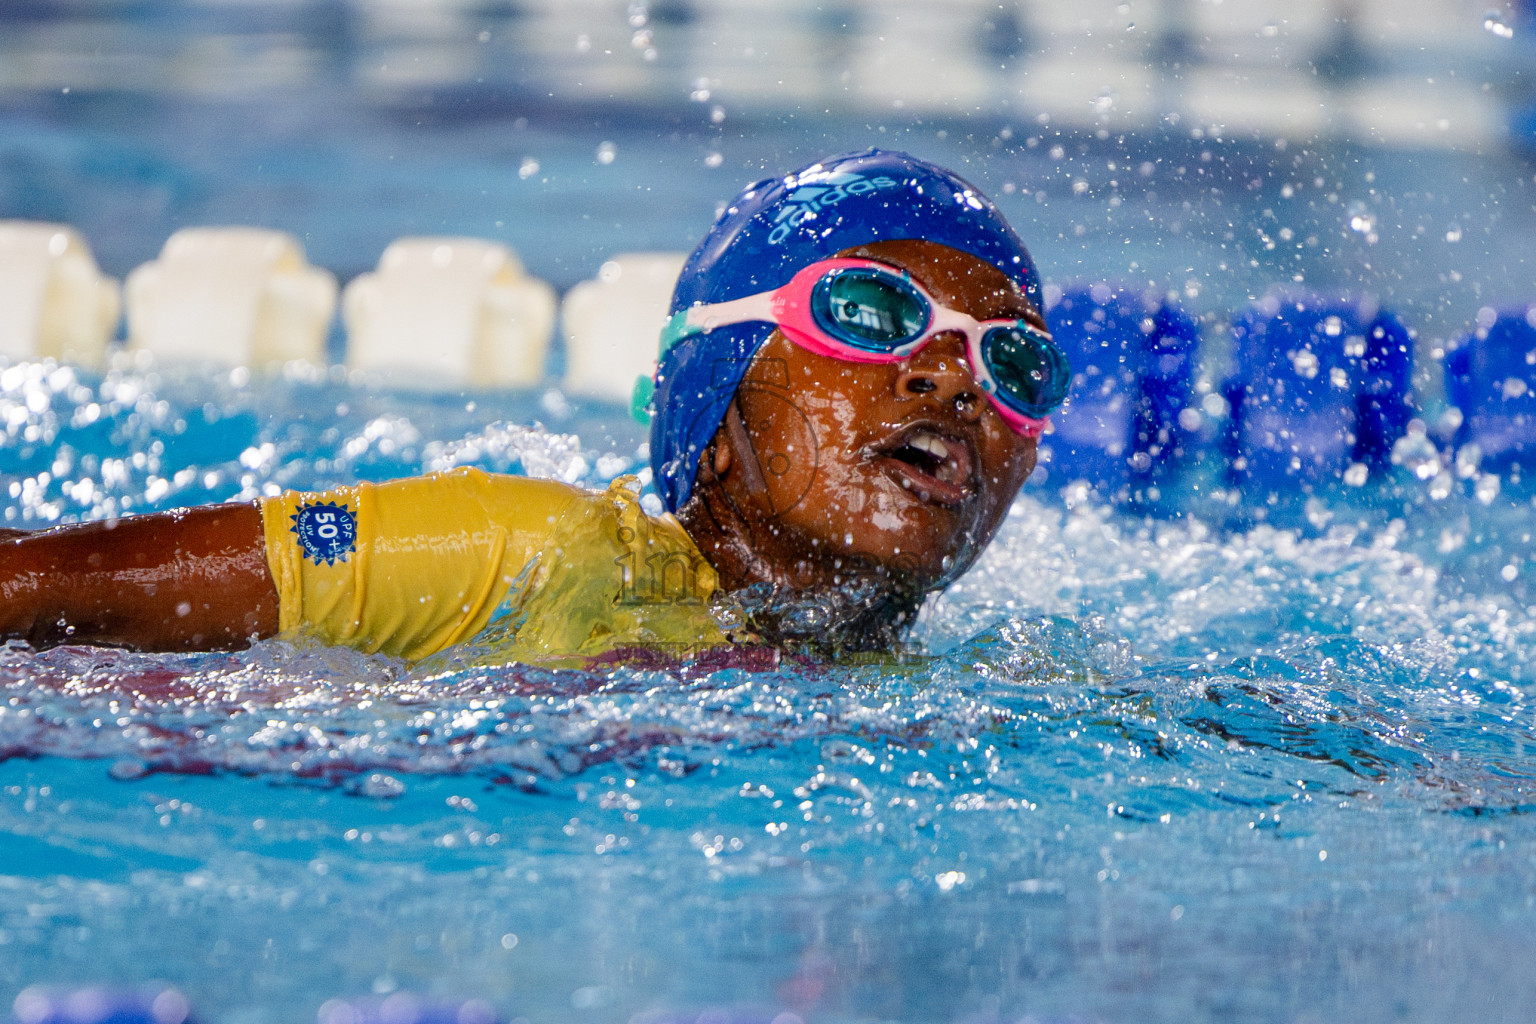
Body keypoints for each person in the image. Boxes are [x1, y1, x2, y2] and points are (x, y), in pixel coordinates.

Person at [0, 149, 1070, 663]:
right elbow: (32, 587)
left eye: (1014, 366)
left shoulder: (960, 684)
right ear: (717, 409)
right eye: (872, 310)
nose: (953, 378)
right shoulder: (533, 553)